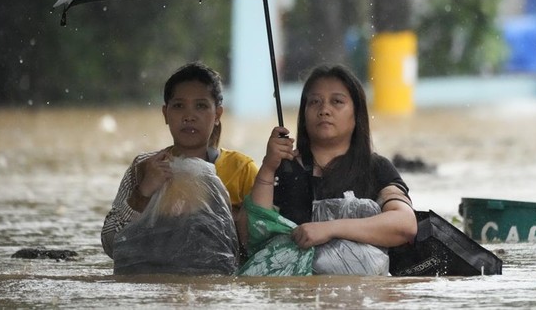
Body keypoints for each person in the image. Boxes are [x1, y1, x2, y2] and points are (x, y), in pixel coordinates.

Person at [243, 64, 417, 273]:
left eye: (337, 102)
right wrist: (268, 167)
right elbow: (252, 233)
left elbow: (405, 224)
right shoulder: (284, 168)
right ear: (304, 113)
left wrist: (329, 229)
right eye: (315, 102)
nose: (324, 110)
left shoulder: (375, 168)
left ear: (357, 114)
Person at [101, 62, 258, 274]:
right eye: (178, 106)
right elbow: (111, 244)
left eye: (201, 106)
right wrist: (143, 193)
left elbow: (264, 246)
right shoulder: (145, 167)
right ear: (165, 114)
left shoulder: (241, 170)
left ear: (218, 114)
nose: (189, 116)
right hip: (155, 289)